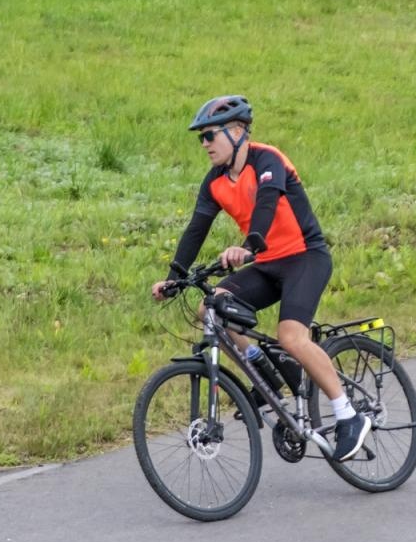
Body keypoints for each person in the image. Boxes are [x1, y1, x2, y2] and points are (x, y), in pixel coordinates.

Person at [149, 95, 371, 462]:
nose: (204, 145)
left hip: (305, 258)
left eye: (209, 136)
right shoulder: (215, 181)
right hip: (267, 264)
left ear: (237, 132)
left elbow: (267, 203)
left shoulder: (268, 160)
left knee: (291, 336)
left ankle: (349, 414)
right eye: (200, 138)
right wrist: (174, 277)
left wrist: (249, 245)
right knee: (211, 308)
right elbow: (196, 229)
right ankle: (266, 373)